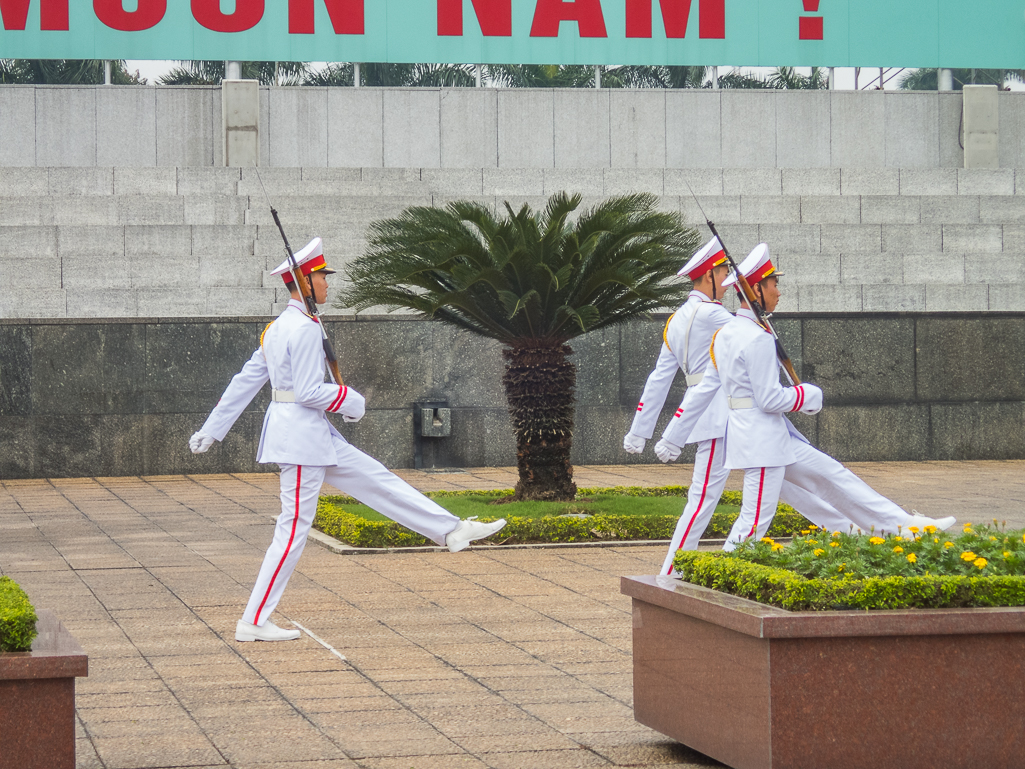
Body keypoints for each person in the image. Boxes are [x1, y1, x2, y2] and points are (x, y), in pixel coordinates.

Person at [189, 238, 507, 642]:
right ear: (304, 282)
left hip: (312, 434)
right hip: (301, 439)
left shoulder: (279, 328)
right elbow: (306, 391)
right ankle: (253, 621)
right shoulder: (302, 329)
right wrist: (349, 399)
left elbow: (244, 381)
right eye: (321, 277)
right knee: (291, 532)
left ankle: (451, 531)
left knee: (378, 480)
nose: (326, 284)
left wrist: (212, 429)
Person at [655, 243, 955, 551]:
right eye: (773, 284)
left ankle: (903, 527)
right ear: (756, 289)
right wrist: (805, 395)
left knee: (834, 476)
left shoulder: (726, 334)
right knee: (754, 521)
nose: (778, 292)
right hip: (761, 442)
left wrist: (672, 436)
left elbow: (703, 389)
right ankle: (720, 577)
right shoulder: (755, 337)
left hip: (773, 437)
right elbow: (769, 400)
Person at [625, 239, 861, 574]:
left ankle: (850, 532)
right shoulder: (718, 316)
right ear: (708, 276)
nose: (725, 280)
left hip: (715, 414)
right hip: (729, 414)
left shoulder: (676, 320)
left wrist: (641, 431)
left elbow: (659, 379)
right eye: (721, 272)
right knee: (706, 499)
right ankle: (673, 570)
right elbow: (746, 341)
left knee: (792, 484)